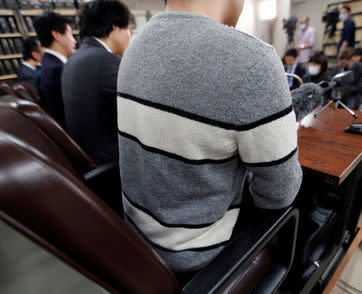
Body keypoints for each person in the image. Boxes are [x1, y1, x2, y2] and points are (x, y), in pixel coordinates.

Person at [117, 0, 302, 276]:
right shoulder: (253, 61)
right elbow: (279, 193)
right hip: (200, 260)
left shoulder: (134, 46)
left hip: (134, 242)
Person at [62, 0, 133, 165]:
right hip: (111, 162)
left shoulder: (74, 59)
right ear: (115, 27)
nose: (130, 38)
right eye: (129, 30)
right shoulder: (107, 61)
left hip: (86, 156)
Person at [33, 12, 77, 127]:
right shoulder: (58, 70)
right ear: (57, 35)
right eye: (71, 34)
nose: (74, 41)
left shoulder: (47, 63)